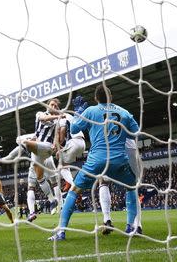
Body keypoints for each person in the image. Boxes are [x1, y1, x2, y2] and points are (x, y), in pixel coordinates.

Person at [49, 84, 139, 240]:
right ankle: (131, 227)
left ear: (96, 98)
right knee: (131, 187)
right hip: (119, 161)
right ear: (111, 97)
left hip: (96, 161)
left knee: (74, 191)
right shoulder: (124, 113)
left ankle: (61, 231)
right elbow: (136, 134)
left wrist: (78, 113)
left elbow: (75, 129)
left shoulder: (90, 111)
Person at [98, 137, 143, 235]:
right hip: (130, 146)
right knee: (132, 186)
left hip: (109, 147)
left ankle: (107, 220)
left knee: (103, 181)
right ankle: (137, 225)